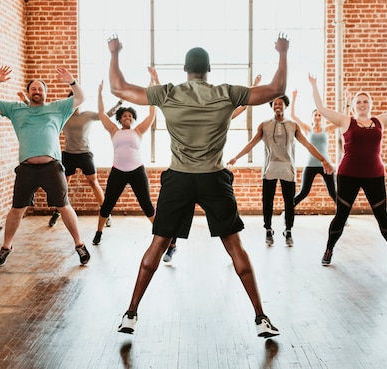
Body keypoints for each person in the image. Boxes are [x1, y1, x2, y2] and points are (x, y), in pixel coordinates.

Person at [108, 33, 290, 338]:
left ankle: (131, 314)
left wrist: (114, 53)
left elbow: (119, 87)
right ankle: (261, 317)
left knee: (158, 244)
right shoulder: (226, 92)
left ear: (185, 69)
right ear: (208, 70)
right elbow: (276, 89)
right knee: (235, 246)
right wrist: (282, 53)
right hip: (214, 178)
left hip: (179, 178)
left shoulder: (167, 93)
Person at [0, 66, 91, 267]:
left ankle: (80, 245)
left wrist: (72, 82)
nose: (37, 91)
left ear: (45, 93)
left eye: (40, 89)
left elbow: (81, 98)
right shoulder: (16, 109)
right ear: (29, 92)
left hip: (52, 167)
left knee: (64, 205)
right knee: (17, 209)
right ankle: (6, 247)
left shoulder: (58, 108)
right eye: (33, 89)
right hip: (27, 169)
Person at [309, 72, 387, 267]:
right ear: (354, 105)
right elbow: (322, 109)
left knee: (382, 216)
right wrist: (314, 85)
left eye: (365, 101)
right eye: (359, 101)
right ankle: (329, 249)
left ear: (370, 104)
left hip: (374, 175)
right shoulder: (346, 121)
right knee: (341, 215)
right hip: (348, 175)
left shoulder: (380, 121)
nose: (362, 104)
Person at [162, 73, 263, 263]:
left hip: (205, 174)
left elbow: (238, 108)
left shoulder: (218, 113)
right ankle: (172, 246)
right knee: (172, 222)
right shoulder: (184, 115)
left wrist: (253, 87)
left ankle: (231, 252)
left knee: (230, 238)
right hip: (190, 175)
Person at [227, 96, 334, 247]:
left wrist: (323, 160)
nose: (278, 106)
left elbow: (307, 145)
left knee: (289, 202)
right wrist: (236, 157)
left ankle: (288, 230)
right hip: (270, 167)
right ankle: (268, 230)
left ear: (285, 106)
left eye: (281, 104)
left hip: (287, 167)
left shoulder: (293, 125)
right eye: (275, 104)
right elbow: (251, 143)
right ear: (272, 106)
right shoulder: (264, 125)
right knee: (267, 201)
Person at [47, 82, 123, 228]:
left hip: (85, 154)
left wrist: (119, 102)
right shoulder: (63, 117)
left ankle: (106, 214)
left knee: (93, 183)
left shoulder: (87, 115)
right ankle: (57, 212)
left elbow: (105, 115)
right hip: (68, 154)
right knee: (63, 186)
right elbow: (45, 115)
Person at [92, 76, 157, 246]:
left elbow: (152, 113)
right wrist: (99, 94)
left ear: (133, 118)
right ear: (120, 118)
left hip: (137, 170)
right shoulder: (113, 130)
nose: (127, 117)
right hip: (118, 171)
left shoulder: (139, 131)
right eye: (124, 116)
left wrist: (152, 90)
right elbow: (101, 114)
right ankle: (99, 232)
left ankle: (160, 234)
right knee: (107, 204)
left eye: (130, 116)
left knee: (147, 205)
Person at [290, 89, 339, 207]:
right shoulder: (308, 129)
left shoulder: (326, 129)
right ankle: (287, 211)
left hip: (325, 164)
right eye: (315, 115)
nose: (317, 117)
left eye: (319, 115)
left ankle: (343, 216)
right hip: (310, 164)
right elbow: (293, 116)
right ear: (312, 117)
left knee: (333, 192)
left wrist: (347, 103)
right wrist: (294, 98)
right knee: (303, 192)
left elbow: (341, 121)